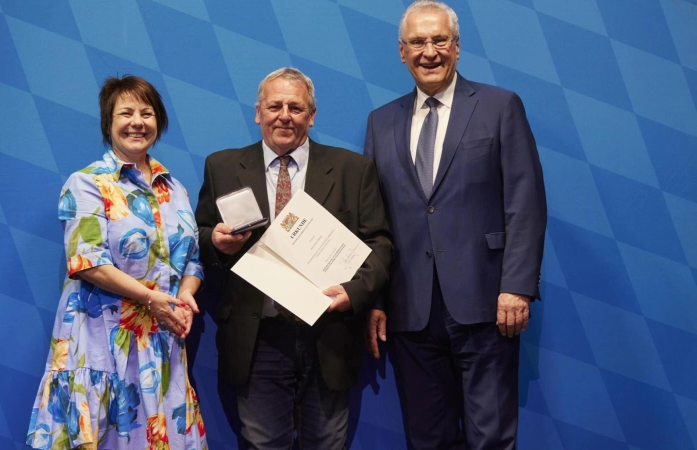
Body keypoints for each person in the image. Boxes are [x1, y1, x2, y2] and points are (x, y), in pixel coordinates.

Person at [363, 2, 547, 449]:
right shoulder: (380, 121)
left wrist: (517, 286)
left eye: (439, 40)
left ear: (458, 47)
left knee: (491, 437)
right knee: (426, 438)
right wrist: (375, 298)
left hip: (487, 304)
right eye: (418, 42)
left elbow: (525, 203)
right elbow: (373, 221)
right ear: (401, 52)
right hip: (410, 311)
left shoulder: (500, 106)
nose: (430, 51)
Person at [195, 67, 391, 449]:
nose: (285, 115)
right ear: (258, 113)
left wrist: (356, 292)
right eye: (275, 105)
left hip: (329, 333)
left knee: (327, 444)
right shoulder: (221, 166)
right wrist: (215, 243)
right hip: (258, 338)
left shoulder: (354, 170)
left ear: (312, 116)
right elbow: (200, 236)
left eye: (296, 107)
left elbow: (380, 242)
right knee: (262, 443)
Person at [27, 75, 207, 450]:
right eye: (126, 113)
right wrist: (151, 298)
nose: (137, 122)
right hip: (101, 342)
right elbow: (87, 261)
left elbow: (192, 261)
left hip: (162, 343)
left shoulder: (175, 188)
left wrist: (186, 295)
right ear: (108, 124)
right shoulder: (87, 183)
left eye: (147, 112)